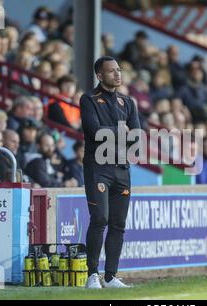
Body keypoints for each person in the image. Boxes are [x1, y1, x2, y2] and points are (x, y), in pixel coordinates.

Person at [80, 56, 141, 289]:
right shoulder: (89, 99)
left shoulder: (128, 102)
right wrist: (120, 131)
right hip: (98, 168)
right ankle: (92, 275)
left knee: (118, 223)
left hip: (122, 169)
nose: (117, 74)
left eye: (118, 70)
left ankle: (110, 276)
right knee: (100, 219)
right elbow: (94, 131)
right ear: (99, 75)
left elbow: (137, 136)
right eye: (111, 71)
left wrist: (122, 135)